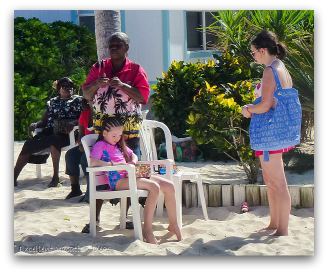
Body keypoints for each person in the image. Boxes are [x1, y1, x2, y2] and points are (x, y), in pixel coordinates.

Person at [82, 117, 182, 244]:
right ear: (104, 133)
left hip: (130, 175)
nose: (117, 138)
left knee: (169, 185)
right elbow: (92, 161)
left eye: (119, 135)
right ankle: (147, 230)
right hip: (118, 181)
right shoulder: (101, 145)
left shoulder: (118, 146)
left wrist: (133, 161)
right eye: (114, 135)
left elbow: (133, 155)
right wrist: (111, 164)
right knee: (154, 187)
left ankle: (173, 224)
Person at [241, 30, 294, 236]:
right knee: (272, 182)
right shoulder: (281, 67)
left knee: (277, 183)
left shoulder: (270, 71)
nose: (253, 56)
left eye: (254, 52)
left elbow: (266, 104)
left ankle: (282, 229)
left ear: (263, 50)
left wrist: (248, 109)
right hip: (277, 131)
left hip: (271, 132)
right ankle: (274, 224)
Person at [82, 31, 150, 159]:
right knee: (92, 167)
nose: (113, 48)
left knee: (131, 169)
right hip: (105, 135)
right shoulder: (98, 67)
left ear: (126, 48)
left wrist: (122, 86)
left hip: (127, 135)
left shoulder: (136, 70)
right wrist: (97, 83)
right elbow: (86, 94)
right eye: (111, 46)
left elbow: (143, 97)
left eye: (118, 45)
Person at [14, 77, 83, 187]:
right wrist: (36, 124)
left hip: (68, 133)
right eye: (65, 87)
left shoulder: (78, 100)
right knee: (28, 144)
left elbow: (83, 118)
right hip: (50, 132)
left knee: (54, 141)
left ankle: (55, 177)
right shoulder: (52, 102)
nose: (68, 89)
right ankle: (13, 177)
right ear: (59, 89)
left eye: (71, 87)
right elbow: (44, 121)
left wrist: (74, 123)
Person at [64, 98, 93, 201]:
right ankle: (75, 189)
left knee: (85, 159)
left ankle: (91, 192)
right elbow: (81, 132)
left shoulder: (104, 112)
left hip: (100, 147)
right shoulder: (85, 113)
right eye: (91, 99)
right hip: (86, 145)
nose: (93, 101)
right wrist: (81, 144)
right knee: (70, 155)